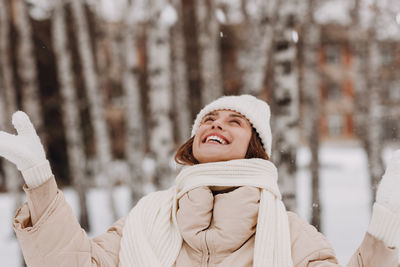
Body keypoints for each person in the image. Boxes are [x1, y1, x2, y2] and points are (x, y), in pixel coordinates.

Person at [0, 94, 399, 267]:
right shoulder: (149, 217)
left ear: (254, 148)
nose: (216, 125)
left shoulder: (288, 233)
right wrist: (40, 182)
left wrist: (384, 229)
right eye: (208, 120)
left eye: (234, 122)